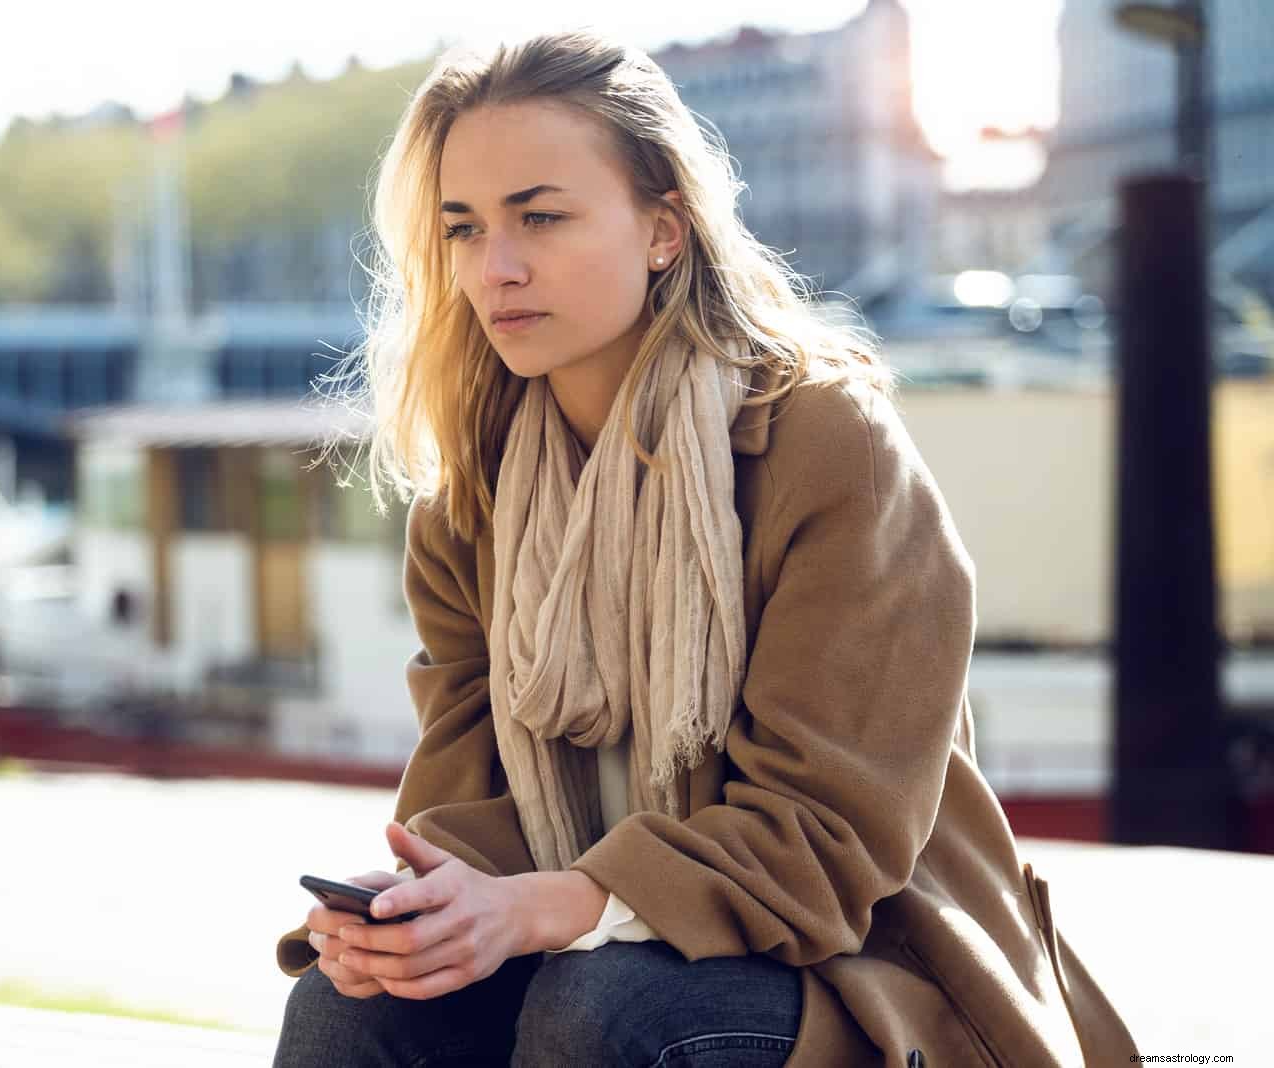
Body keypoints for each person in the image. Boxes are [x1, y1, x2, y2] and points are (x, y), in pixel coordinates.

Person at [273, 28, 1140, 1067]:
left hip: (856, 974)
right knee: (347, 1004)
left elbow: (826, 841)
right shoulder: (474, 495)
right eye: (462, 228)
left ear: (663, 231)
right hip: (595, 948)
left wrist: (554, 906)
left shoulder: (827, 447)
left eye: (540, 217)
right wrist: (415, 907)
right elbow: (473, 805)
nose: (494, 269)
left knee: (606, 1010)